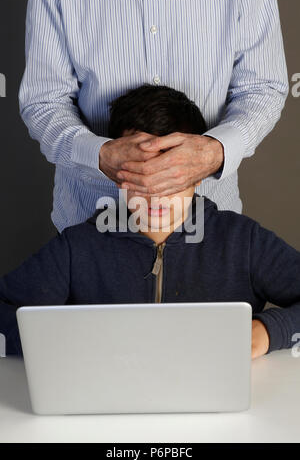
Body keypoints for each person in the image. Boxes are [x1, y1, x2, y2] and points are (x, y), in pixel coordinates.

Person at [2, 84, 300, 359]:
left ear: (198, 172)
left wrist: (269, 331)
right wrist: (63, 342)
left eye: (170, 176)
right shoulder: (78, 247)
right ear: (118, 173)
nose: (155, 195)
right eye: (142, 175)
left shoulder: (242, 242)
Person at [19, 0, 289, 232]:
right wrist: (99, 156)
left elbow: (262, 88)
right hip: (91, 221)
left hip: (211, 225)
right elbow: (44, 101)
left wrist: (213, 153)